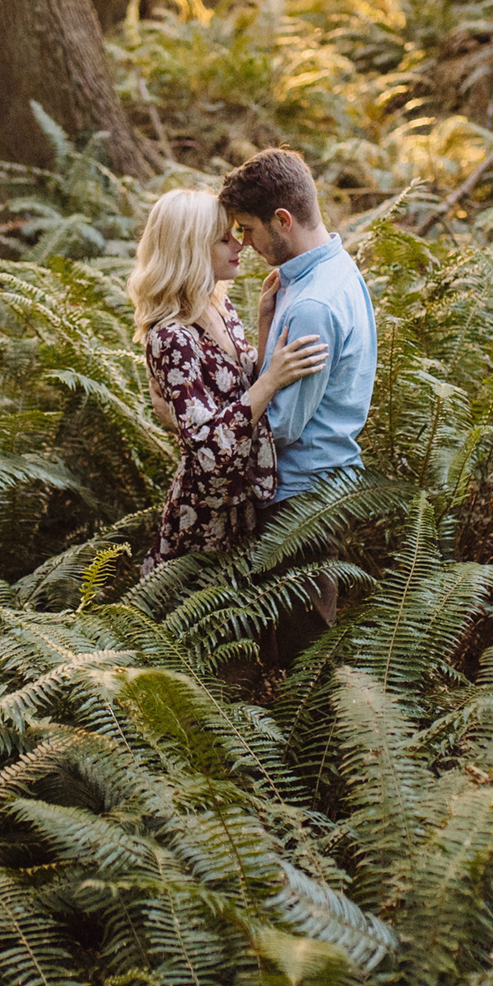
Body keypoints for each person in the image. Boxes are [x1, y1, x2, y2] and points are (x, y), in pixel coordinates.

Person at [216, 148, 378, 638]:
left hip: (301, 499)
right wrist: (266, 324)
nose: (244, 243)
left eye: (248, 228)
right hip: (314, 489)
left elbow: (282, 425)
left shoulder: (314, 304)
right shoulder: (331, 271)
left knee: (301, 651)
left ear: (282, 220)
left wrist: (205, 427)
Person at [129, 189, 329, 574]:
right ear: (189, 250)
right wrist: (270, 381)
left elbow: (236, 389)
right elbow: (208, 452)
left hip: (244, 506)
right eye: (224, 239)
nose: (240, 245)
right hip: (207, 519)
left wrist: (265, 323)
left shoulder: (218, 306)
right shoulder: (172, 338)